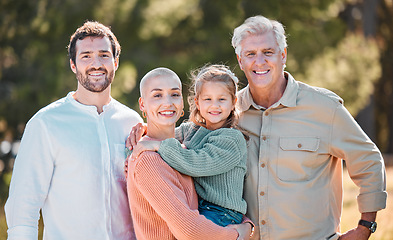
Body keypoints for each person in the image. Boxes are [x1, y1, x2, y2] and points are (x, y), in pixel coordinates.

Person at [231, 15, 387, 239]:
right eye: (250, 54)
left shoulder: (324, 108)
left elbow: (369, 160)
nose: (259, 62)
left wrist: (365, 227)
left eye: (268, 52)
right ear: (240, 60)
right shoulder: (230, 114)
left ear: (283, 55)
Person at [5, 21, 142, 239]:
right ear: (73, 65)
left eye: (104, 55)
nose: (96, 63)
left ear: (115, 62)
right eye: (86, 56)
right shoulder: (46, 124)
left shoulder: (132, 122)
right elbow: (23, 207)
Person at [126, 67, 252, 239]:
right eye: (157, 95)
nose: (168, 102)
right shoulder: (154, 157)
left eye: (175, 94)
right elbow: (192, 231)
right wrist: (239, 234)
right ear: (197, 103)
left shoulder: (230, 138)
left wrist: (244, 226)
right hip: (208, 216)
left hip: (221, 213)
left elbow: (196, 160)